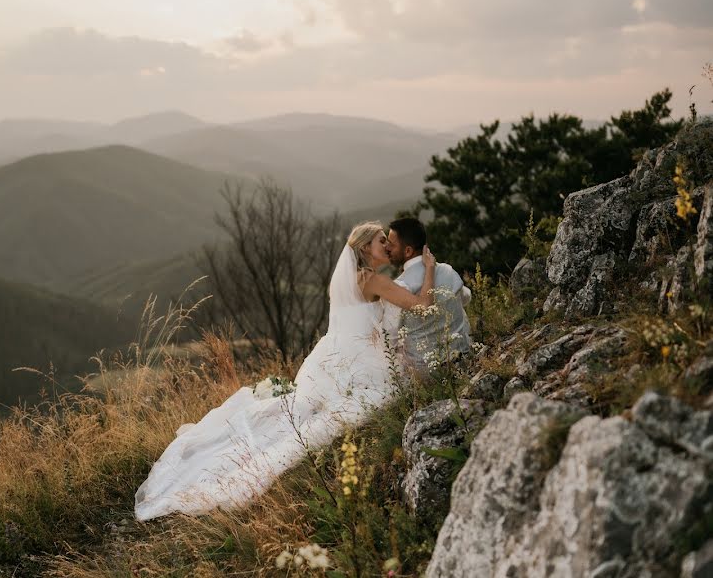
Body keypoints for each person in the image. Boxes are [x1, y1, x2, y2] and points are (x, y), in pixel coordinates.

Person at [134, 222, 436, 521]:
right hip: (359, 363)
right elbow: (423, 306)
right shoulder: (373, 281)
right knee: (351, 408)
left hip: (333, 358)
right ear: (364, 248)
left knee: (303, 413)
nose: (387, 245)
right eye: (381, 240)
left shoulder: (345, 281)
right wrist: (430, 268)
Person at [384, 217, 471, 368]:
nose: (387, 248)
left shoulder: (400, 286)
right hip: (464, 359)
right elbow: (466, 297)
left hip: (426, 371)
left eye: (391, 244)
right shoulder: (447, 270)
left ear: (408, 251)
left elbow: (389, 337)